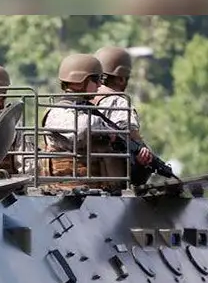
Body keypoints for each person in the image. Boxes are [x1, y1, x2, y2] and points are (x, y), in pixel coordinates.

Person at [39, 54, 153, 192]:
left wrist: (138, 157)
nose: (100, 85)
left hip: (102, 192)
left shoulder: (88, 110)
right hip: (70, 193)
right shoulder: (57, 112)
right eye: (96, 79)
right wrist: (108, 130)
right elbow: (82, 128)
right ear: (79, 81)